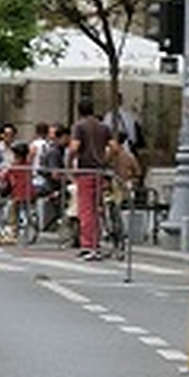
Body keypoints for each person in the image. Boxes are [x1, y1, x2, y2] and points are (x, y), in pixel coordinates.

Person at [68, 98, 112, 260]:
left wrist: (69, 161)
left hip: (85, 170)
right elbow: (114, 147)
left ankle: (88, 245)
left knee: (85, 210)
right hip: (100, 172)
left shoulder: (79, 126)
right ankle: (96, 243)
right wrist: (105, 160)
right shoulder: (103, 127)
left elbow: (74, 147)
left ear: (79, 110)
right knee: (96, 209)